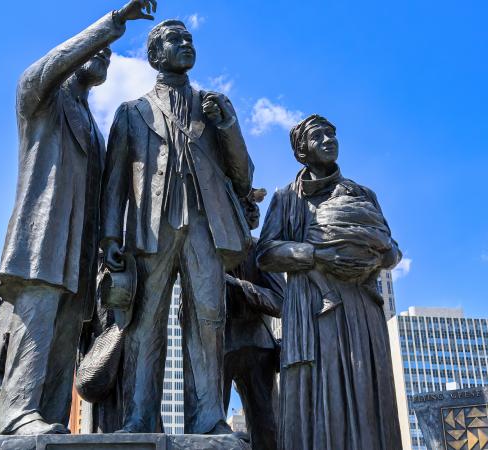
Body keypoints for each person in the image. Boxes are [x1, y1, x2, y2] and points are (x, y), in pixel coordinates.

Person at [0, 0, 158, 435]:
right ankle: (15, 412)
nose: (103, 57)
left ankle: (45, 417)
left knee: (66, 331)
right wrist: (114, 24)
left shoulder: (91, 123)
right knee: (38, 320)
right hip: (43, 237)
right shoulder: (39, 98)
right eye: (96, 52)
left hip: (79, 249)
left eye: (106, 53)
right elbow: (56, 61)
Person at [100, 19, 253, 434]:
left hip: (206, 225)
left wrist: (228, 126)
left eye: (189, 38)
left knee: (208, 317)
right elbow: (114, 182)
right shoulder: (133, 112)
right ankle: (140, 416)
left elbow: (243, 176)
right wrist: (111, 236)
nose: (185, 43)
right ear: (154, 55)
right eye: (175, 39)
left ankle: (207, 417)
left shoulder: (214, 105)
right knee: (145, 320)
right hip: (151, 229)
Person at [256, 115, 403, 450]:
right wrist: (317, 256)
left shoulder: (363, 195)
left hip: (360, 306)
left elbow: (393, 251)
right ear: (301, 152)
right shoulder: (286, 198)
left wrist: (378, 253)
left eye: (332, 134)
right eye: (318, 136)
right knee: (318, 388)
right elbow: (265, 254)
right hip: (312, 306)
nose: (328, 140)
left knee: (365, 382)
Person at [221, 188, 284, 450]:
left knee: (267, 426)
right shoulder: (208, 251)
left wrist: (239, 287)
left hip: (257, 347)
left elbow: (280, 300)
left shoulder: (259, 251)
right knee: (209, 429)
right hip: (218, 349)